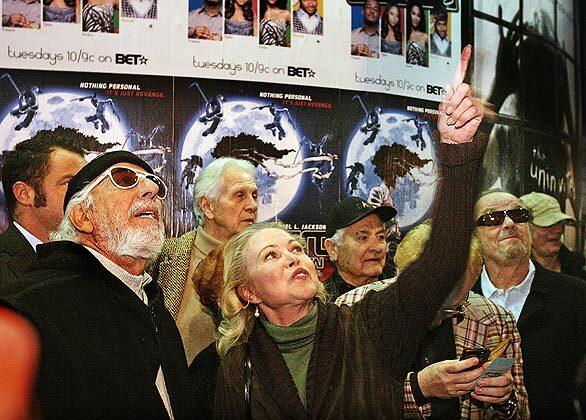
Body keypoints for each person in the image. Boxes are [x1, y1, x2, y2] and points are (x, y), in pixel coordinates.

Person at [212, 46, 487, 417]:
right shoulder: (237, 364)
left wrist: (457, 150)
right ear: (248, 291)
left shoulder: (368, 325)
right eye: (272, 256)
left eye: (295, 249)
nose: (294, 258)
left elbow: (443, 262)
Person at [0, 151, 192, 419]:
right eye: (125, 179)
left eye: (154, 183)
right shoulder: (30, 309)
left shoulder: (153, 302)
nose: (151, 189)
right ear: (83, 217)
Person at [336, 220, 529, 419]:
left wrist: (505, 401)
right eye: (424, 308)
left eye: (452, 309)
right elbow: (337, 403)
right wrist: (418, 389)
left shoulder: (496, 320)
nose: (436, 319)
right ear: (401, 275)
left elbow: (522, 412)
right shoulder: (351, 309)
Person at [472, 189, 586, 419]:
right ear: (474, 237)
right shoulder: (457, 301)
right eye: (492, 218)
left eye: (519, 214)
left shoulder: (576, 295)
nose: (509, 223)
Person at [150, 157, 258, 364]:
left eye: (254, 195)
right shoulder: (162, 258)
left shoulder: (264, 263)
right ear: (207, 206)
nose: (252, 205)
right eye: (239, 195)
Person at [0, 129, 86, 288]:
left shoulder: (90, 261)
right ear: (24, 194)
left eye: (88, 183)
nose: (86, 193)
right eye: (69, 183)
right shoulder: (4, 269)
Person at [323, 196, 395, 300]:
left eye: (381, 237)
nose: (377, 247)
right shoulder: (321, 304)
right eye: (363, 237)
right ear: (333, 249)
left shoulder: (399, 293)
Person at [519, 191, 585, 279]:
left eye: (559, 222)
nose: (558, 229)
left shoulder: (579, 267)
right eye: (548, 224)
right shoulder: (509, 271)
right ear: (524, 228)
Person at [406, 0, 427, 66]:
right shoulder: (405, 34)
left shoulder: (424, 36)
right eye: (413, 13)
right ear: (409, 14)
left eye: (418, 15)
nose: (416, 18)